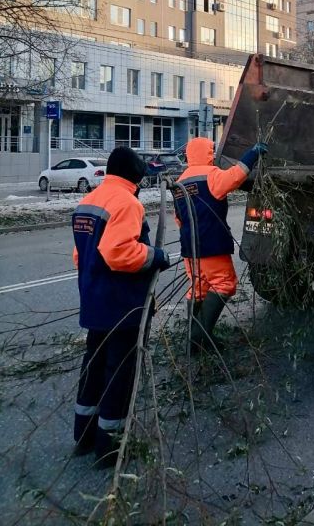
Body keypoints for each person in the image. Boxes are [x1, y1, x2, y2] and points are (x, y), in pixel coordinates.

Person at [72, 146, 170, 465]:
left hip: (95, 302)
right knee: (118, 375)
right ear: (134, 176)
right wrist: (156, 256)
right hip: (122, 306)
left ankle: (84, 436)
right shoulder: (126, 202)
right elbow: (118, 253)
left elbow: (81, 256)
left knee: (94, 367)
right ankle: (110, 449)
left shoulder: (88, 201)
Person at [173, 137, 268, 353]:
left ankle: (197, 341)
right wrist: (253, 153)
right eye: (211, 151)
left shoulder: (180, 182)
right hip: (211, 244)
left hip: (189, 246)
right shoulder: (210, 176)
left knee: (199, 288)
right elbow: (235, 176)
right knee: (224, 283)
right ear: (207, 153)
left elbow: (178, 218)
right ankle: (197, 337)